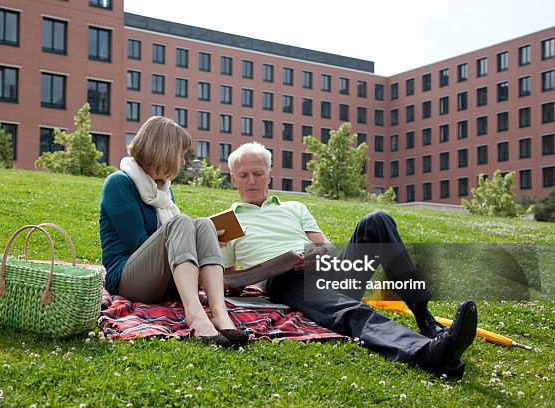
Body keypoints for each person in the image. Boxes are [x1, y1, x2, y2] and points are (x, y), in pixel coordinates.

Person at [220, 142, 478, 378]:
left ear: (269, 173)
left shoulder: (294, 208)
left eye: (258, 173)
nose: (252, 180)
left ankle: (424, 318)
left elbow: (328, 248)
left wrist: (317, 255)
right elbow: (227, 279)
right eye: (244, 175)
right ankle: (430, 353)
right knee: (351, 313)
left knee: (376, 220)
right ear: (234, 178)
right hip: (287, 280)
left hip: (329, 270)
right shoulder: (226, 220)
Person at [99, 116, 247, 347]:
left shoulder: (163, 190)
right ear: (165, 151)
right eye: (181, 153)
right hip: (127, 278)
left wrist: (205, 242)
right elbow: (139, 245)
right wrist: (183, 239)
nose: (182, 160)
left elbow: (172, 242)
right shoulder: (119, 183)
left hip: (163, 281)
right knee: (181, 222)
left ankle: (219, 312)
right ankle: (195, 315)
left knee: (205, 225)